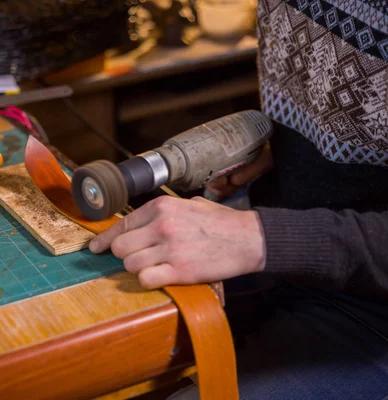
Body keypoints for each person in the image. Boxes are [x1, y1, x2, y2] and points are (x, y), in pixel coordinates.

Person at [89, 0, 388, 397]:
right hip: (283, 247)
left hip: (371, 308)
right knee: (88, 340)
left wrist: (260, 238)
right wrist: (294, 154)